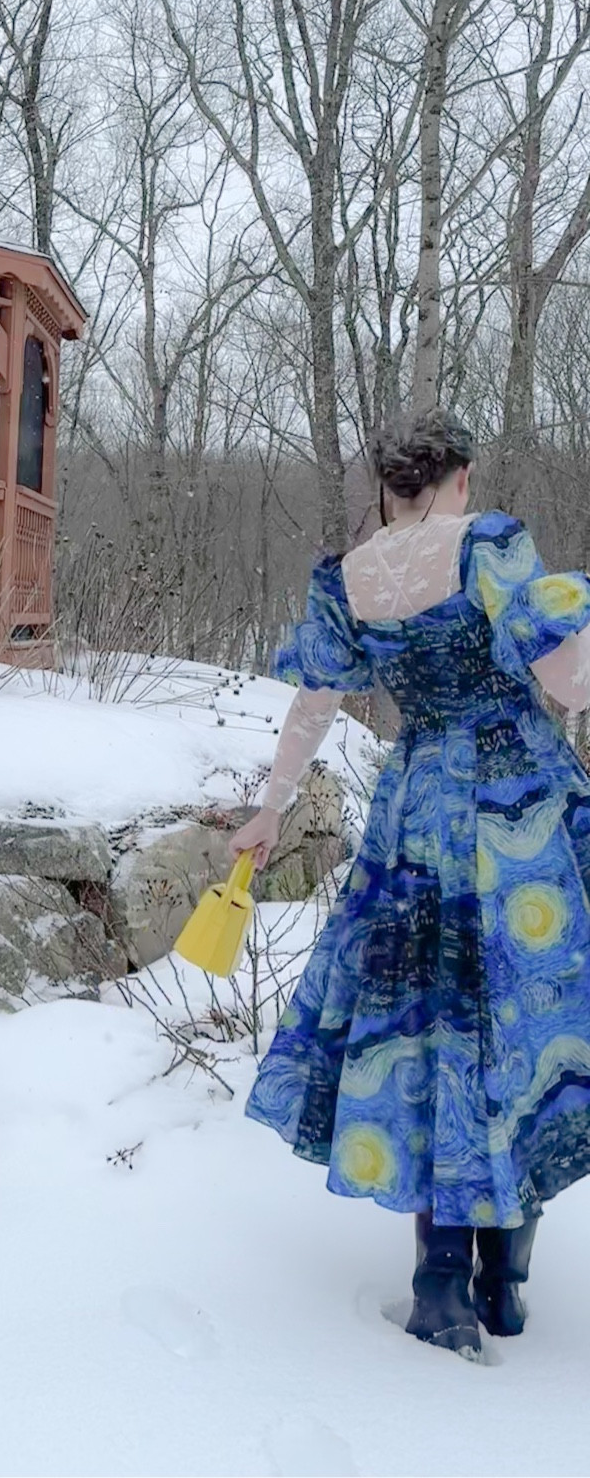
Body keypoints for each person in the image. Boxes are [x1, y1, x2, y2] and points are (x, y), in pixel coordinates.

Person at [231, 409, 590, 1357]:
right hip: (516, 812)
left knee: (428, 1026)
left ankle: (438, 1284)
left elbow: (316, 699)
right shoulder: (492, 547)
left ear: (385, 488)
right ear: (461, 478)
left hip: (417, 807)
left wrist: (272, 806)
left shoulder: (351, 577)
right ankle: (504, 1275)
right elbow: (572, 688)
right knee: (520, 1022)